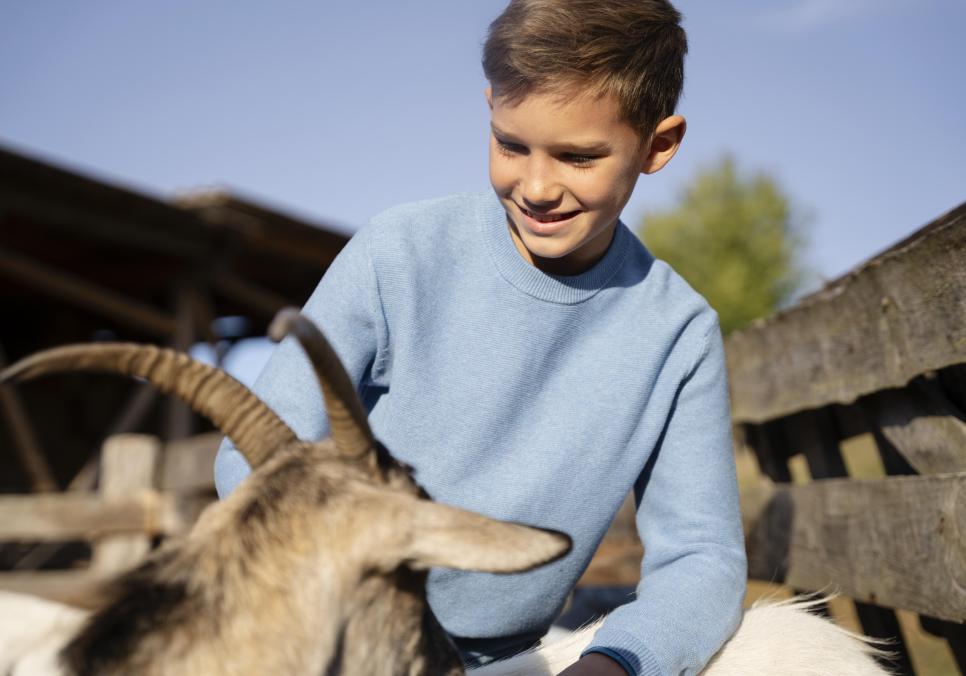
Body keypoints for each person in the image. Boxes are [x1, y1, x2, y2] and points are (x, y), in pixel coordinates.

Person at [214, 1, 746, 674]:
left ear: (657, 146)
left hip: (494, 664)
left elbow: (702, 557)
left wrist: (616, 664)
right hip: (320, 633)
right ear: (490, 106)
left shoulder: (677, 333)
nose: (537, 186)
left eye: (579, 156)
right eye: (510, 144)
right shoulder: (398, 253)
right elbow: (256, 449)